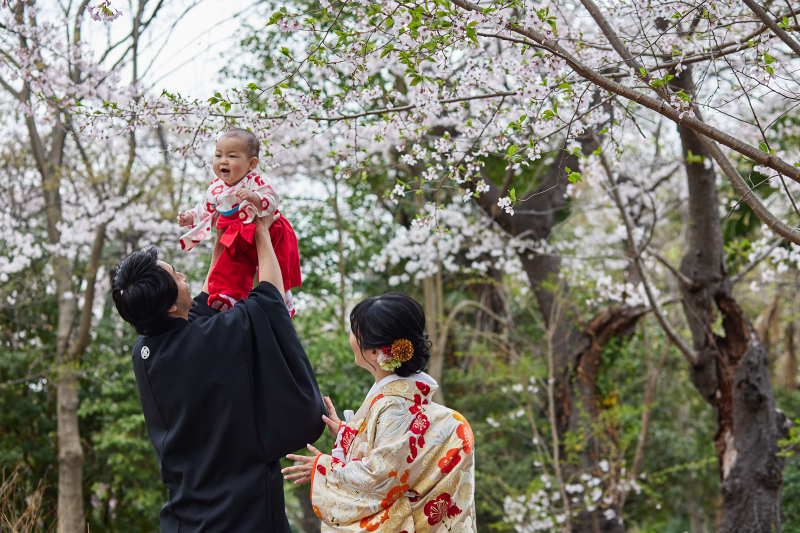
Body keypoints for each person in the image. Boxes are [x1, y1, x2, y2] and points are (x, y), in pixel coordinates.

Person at [112, 214, 325, 532]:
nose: (184, 276)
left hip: (186, 514)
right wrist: (263, 232)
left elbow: (210, 292)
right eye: (178, 276)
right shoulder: (219, 335)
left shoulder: (144, 352)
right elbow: (269, 298)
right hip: (243, 511)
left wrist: (225, 222)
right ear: (170, 306)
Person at [281, 293, 476, 533]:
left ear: (376, 353)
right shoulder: (400, 399)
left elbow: (381, 476)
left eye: (355, 332)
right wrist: (346, 434)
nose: (350, 337)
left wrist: (324, 468)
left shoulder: (396, 406)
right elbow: (395, 454)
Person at [177, 128, 301, 315]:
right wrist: (190, 217)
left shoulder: (254, 181)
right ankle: (230, 295)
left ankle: (284, 298)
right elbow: (207, 211)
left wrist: (255, 197)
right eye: (218, 155)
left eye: (232, 156)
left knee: (278, 262)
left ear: (251, 163)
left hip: (269, 227)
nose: (223, 161)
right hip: (238, 233)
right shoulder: (215, 188)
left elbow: (273, 199)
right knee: (230, 263)